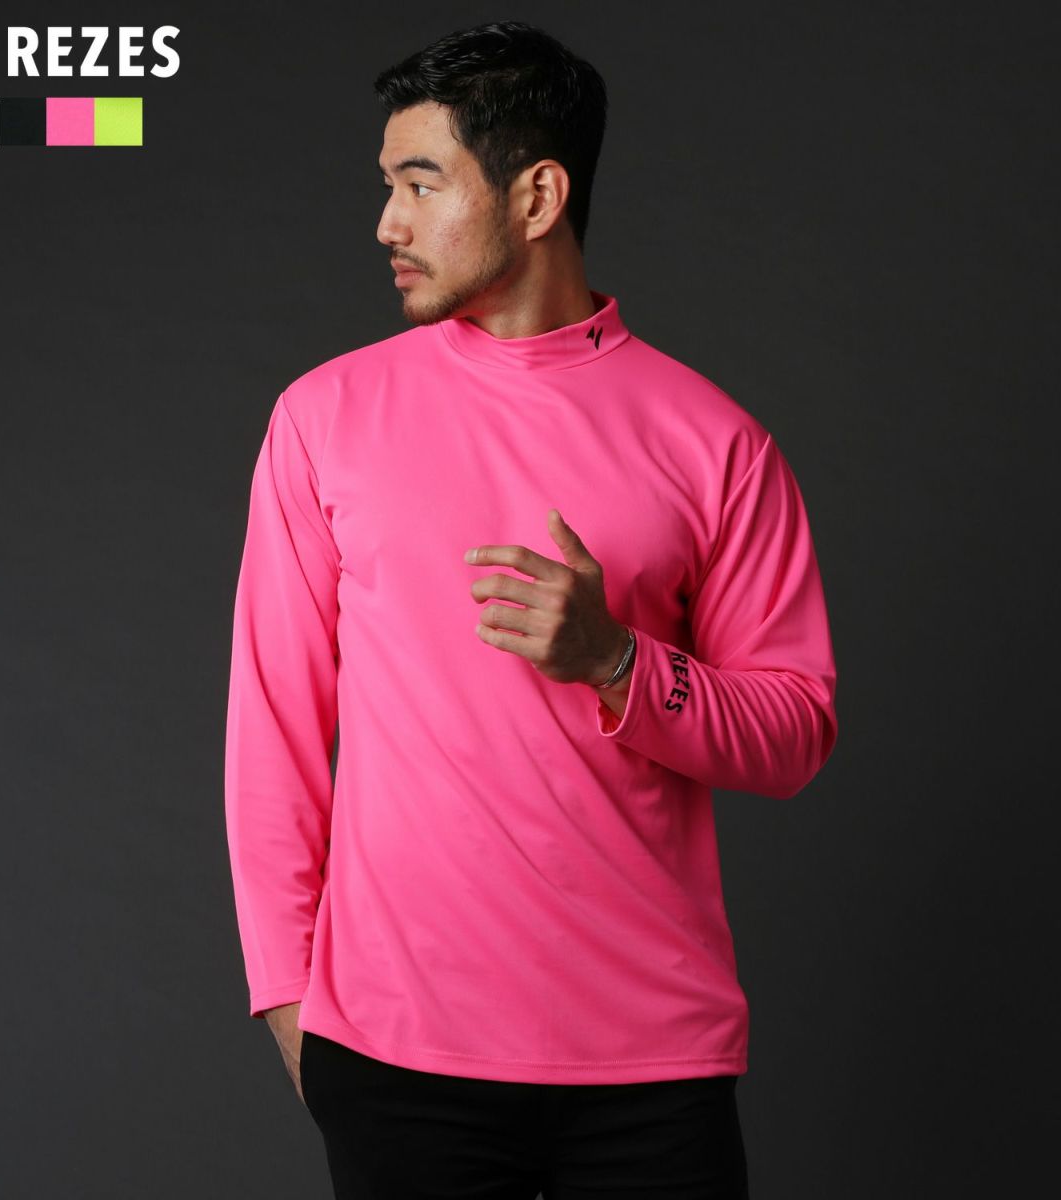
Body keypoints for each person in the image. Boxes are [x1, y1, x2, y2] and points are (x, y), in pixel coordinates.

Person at [224, 19, 838, 1199]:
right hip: (396, 1060)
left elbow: (796, 731)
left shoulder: (715, 442)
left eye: (421, 184)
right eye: (387, 186)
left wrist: (618, 662)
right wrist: (291, 1005)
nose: (387, 223)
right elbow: (274, 736)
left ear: (537, 195)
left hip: (652, 1064)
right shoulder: (323, 419)